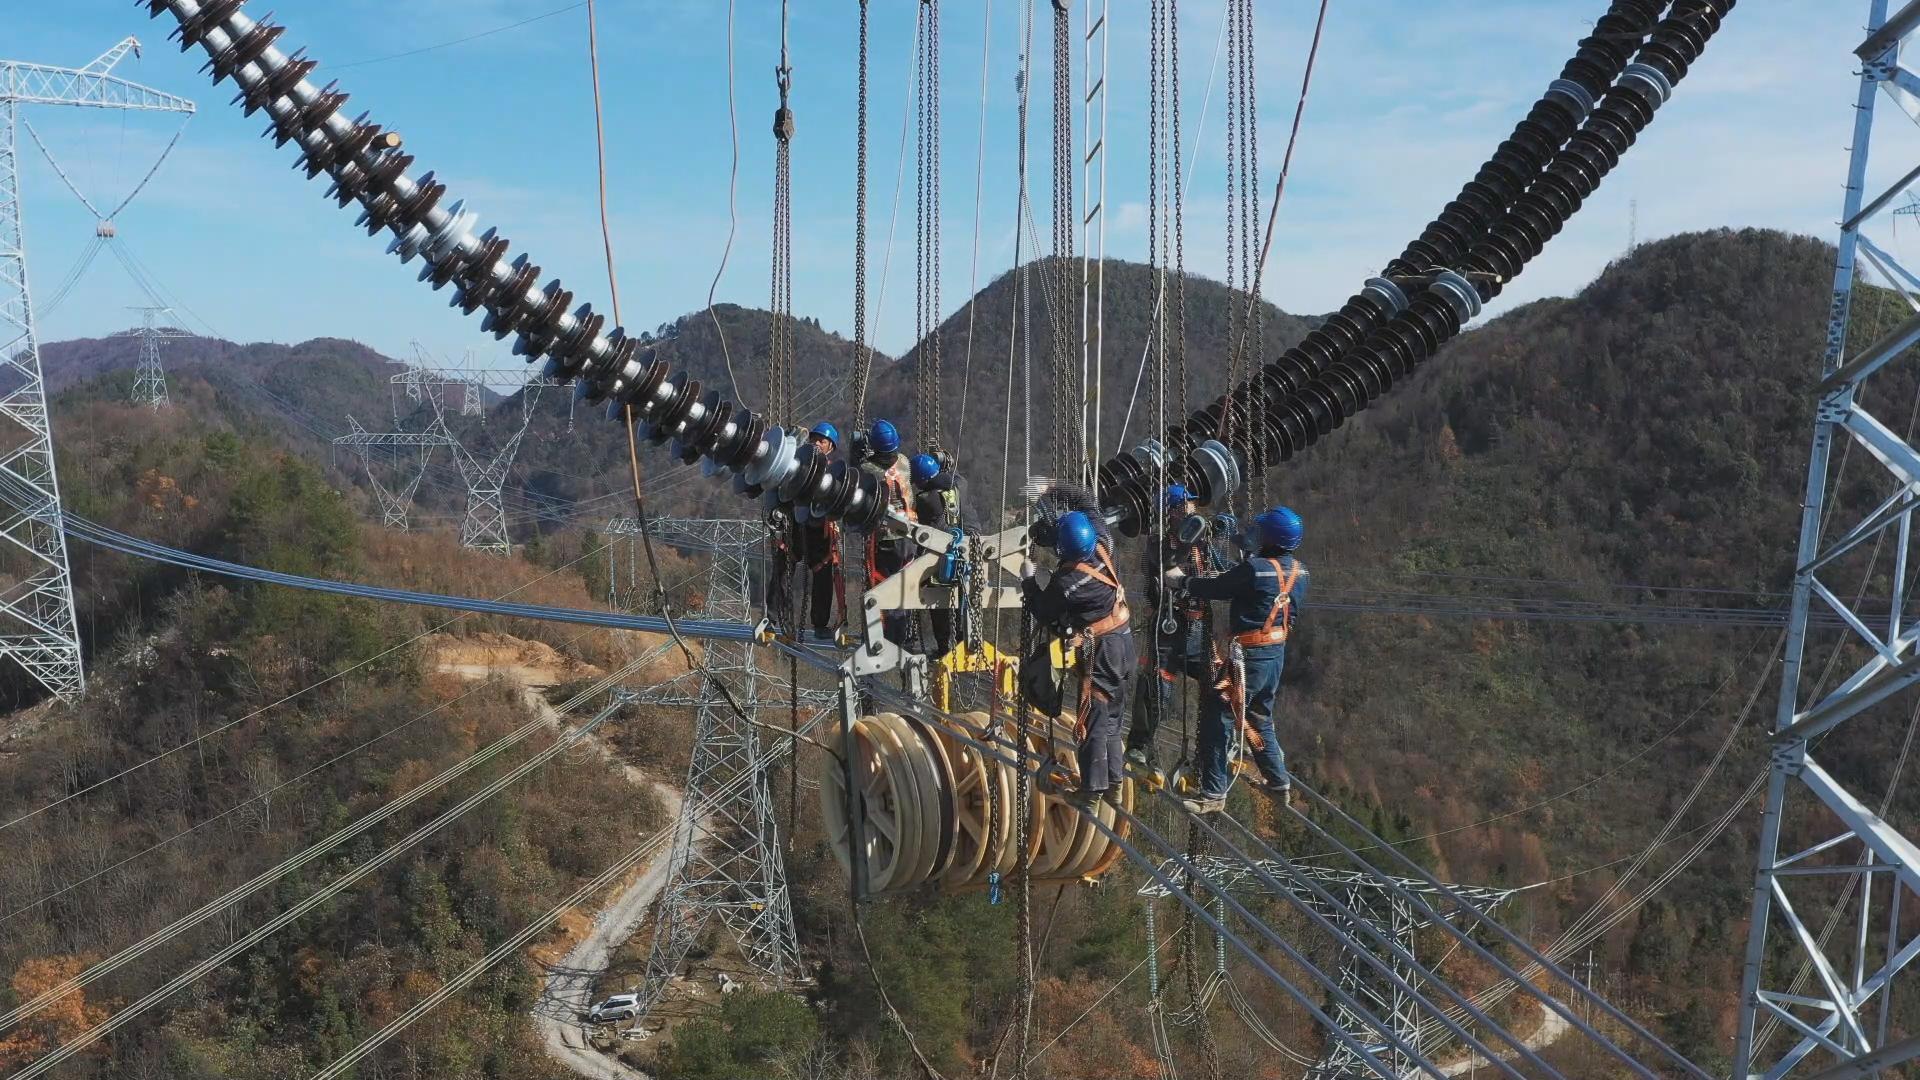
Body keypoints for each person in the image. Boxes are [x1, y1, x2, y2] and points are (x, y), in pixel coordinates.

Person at [1166, 506, 1308, 813]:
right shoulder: (1300, 571)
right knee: (1259, 717)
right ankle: (1278, 783)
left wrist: (1183, 582)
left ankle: (1213, 794)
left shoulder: (1255, 568)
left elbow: (1220, 588)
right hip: (1275, 654)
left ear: (1269, 536)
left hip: (1250, 657)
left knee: (1219, 719)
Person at [1022, 511, 1135, 809]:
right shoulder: (1102, 546)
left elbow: (1044, 610)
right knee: (1111, 717)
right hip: (1124, 642)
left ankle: (1092, 791)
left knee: (1094, 717)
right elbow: (1091, 512)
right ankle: (1114, 785)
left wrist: (1028, 581)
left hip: (1104, 651)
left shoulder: (1068, 582)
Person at [1126, 484, 1235, 774]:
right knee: (1157, 687)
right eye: (1186, 506)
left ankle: (1223, 742)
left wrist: (1227, 544)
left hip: (1198, 626)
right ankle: (1140, 744)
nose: (1192, 510)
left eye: (1192, 506)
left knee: (1220, 682)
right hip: (1168, 625)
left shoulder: (1202, 541)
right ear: (1172, 511)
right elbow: (1162, 568)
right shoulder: (1159, 542)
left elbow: (1221, 567)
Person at [859, 418, 917, 646]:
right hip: (910, 535)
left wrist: (859, 457)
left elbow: (861, 480)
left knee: (879, 586)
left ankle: (882, 637)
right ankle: (902, 636)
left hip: (884, 537)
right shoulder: (904, 462)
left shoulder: (868, 469)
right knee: (904, 586)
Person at [791, 422, 845, 638]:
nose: (816, 443)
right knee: (784, 566)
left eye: (821, 441)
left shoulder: (833, 472)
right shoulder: (798, 463)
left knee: (823, 576)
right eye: (813, 439)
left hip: (821, 529)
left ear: (830, 446)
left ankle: (820, 623)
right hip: (798, 523)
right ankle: (776, 616)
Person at [911, 451, 961, 655]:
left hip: (938, 554)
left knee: (937, 602)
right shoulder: (957, 486)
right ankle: (962, 643)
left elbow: (923, 527)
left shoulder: (925, 499)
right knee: (959, 600)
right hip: (959, 549)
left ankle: (943, 647)